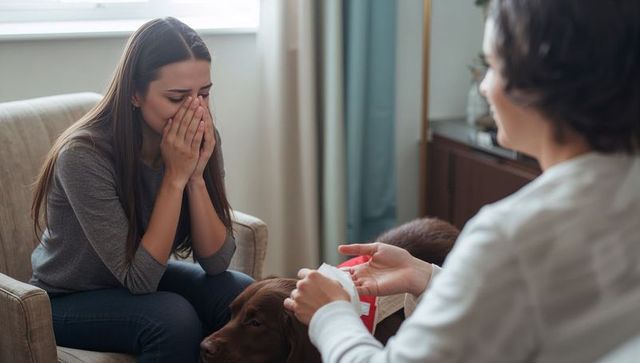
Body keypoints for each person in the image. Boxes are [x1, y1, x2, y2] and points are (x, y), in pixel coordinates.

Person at [284, 0, 640, 361]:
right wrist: (428, 278)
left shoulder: (511, 236)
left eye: (493, 67)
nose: (485, 88)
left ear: (543, 82)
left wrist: (330, 313)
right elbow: (552, 308)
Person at [29, 17, 253, 362]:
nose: (196, 110)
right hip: (67, 297)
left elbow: (217, 261)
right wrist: (174, 178)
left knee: (242, 295)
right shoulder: (83, 155)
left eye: (204, 94)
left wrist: (194, 177)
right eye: (178, 97)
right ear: (135, 93)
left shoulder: (202, 138)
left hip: (136, 277)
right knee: (172, 319)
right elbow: (141, 280)